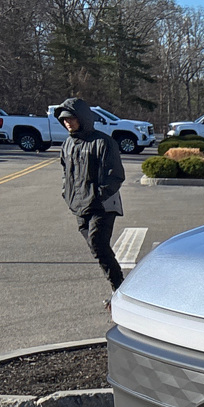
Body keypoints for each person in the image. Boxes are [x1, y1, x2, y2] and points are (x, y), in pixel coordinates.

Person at [55, 97, 127, 296]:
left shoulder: (103, 142)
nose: (67, 122)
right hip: (78, 206)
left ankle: (119, 290)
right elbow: (65, 173)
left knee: (98, 243)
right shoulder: (68, 145)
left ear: (82, 118)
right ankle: (120, 287)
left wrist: (96, 197)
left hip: (102, 206)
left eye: (71, 118)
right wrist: (66, 194)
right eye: (64, 120)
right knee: (97, 250)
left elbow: (115, 176)